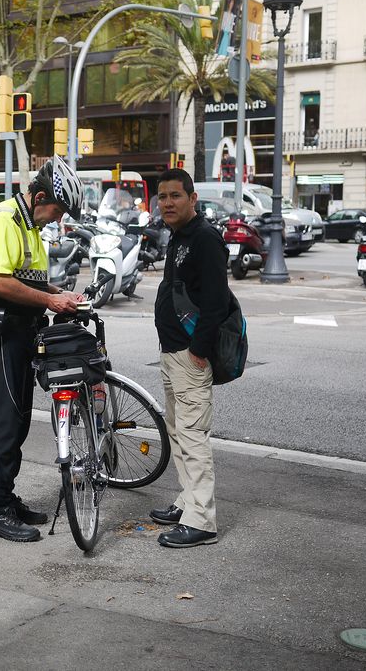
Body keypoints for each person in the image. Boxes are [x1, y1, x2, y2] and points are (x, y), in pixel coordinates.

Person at [0, 156, 84, 542]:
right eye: (57, 209)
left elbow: (27, 278)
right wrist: (49, 302)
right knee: (5, 419)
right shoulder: (4, 220)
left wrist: (57, 293)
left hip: (20, 330)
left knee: (17, 419)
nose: (57, 218)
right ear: (39, 197)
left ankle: (4, 495)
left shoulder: (29, 223)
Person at [149, 168, 230, 549]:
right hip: (172, 352)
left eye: (175, 196)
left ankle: (202, 521)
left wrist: (198, 350)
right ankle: (187, 502)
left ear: (192, 199)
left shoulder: (205, 239)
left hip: (189, 355)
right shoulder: (178, 236)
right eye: (162, 196)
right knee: (178, 431)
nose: (167, 202)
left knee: (193, 435)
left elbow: (216, 303)